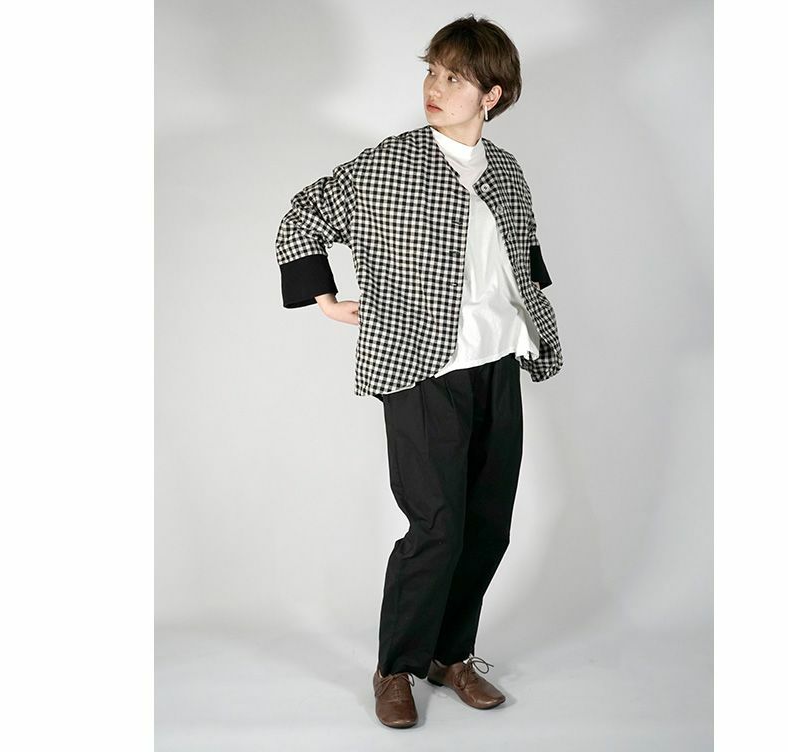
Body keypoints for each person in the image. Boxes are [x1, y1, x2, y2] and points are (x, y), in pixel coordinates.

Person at [275, 15, 563, 729]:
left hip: (497, 361)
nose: (434, 87)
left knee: (487, 525)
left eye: (454, 77)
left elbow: (522, 255)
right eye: (432, 71)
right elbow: (304, 214)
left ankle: (450, 654)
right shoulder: (390, 162)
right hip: (420, 364)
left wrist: (529, 312)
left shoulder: (507, 172)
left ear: (491, 96)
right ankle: (396, 666)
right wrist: (322, 294)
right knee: (437, 525)